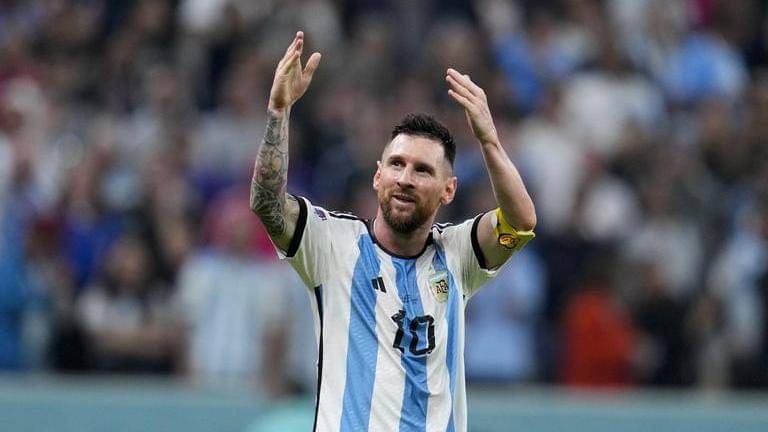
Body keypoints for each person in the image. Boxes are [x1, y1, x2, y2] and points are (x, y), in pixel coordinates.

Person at [249, 31, 536, 432]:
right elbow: (266, 203)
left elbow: (520, 223)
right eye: (397, 165)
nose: (405, 178)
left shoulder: (457, 255)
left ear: (448, 190)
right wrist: (279, 112)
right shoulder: (331, 243)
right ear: (377, 176)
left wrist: (489, 141)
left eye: (422, 170)